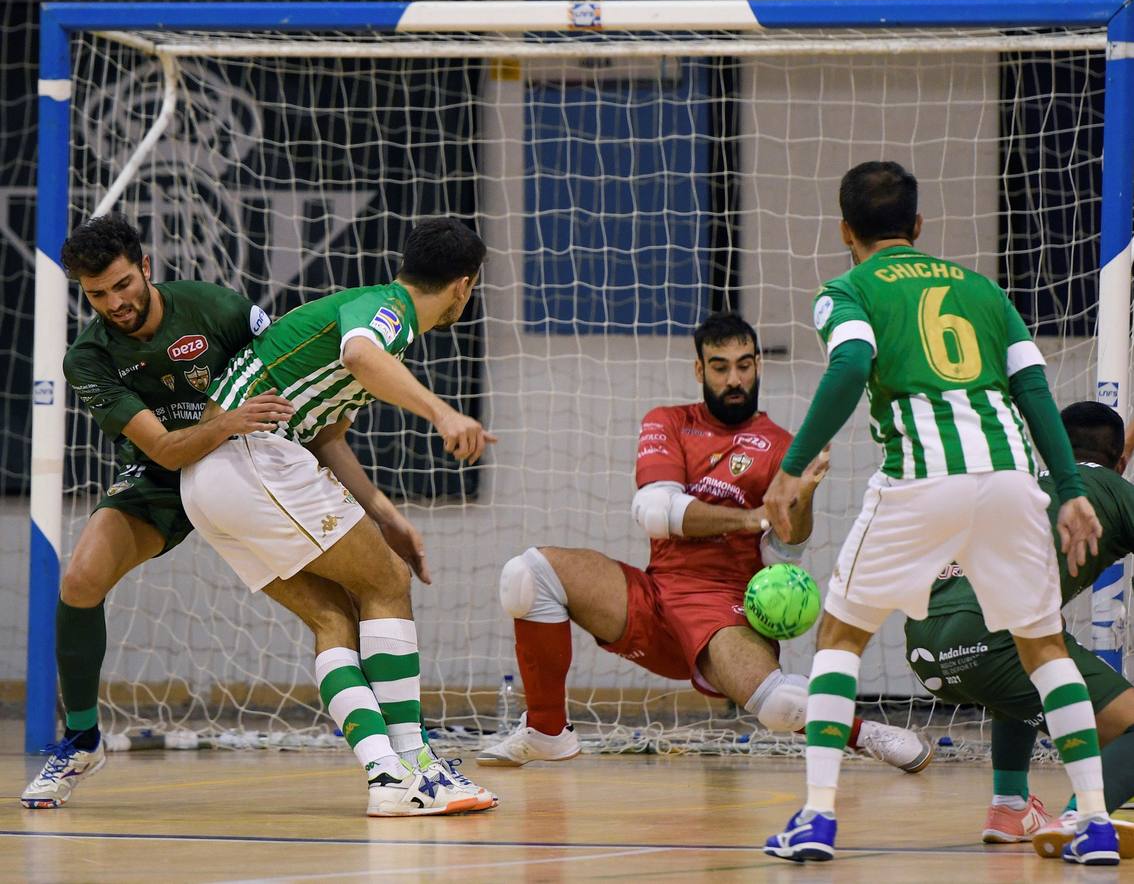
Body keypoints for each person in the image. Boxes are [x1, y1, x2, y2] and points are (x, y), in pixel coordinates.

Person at [761, 160, 1118, 866]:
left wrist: (794, 465)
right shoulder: (982, 290)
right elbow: (1034, 387)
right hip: (1014, 479)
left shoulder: (847, 288)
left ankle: (818, 816)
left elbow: (850, 366)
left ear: (845, 232)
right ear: (918, 227)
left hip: (922, 479)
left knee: (839, 637)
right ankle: (1098, 823)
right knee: (1043, 647)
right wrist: (1071, 485)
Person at [477, 312, 933, 773]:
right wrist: (754, 516)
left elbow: (783, 552)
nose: (734, 379)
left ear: (758, 365)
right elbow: (656, 514)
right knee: (527, 575)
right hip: (653, 596)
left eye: (744, 365)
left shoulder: (782, 446)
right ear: (700, 370)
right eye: (719, 367)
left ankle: (868, 734)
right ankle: (547, 731)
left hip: (724, 609)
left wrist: (801, 500)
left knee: (779, 705)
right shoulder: (669, 422)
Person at [179, 217, 497, 816]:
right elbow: (360, 353)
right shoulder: (387, 309)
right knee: (387, 582)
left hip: (206, 486)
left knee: (335, 615)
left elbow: (326, 436)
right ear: (464, 285)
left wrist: (385, 516)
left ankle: (386, 781)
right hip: (251, 456)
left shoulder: (369, 313)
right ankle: (421, 765)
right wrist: (443, 413)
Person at [22, 214, 294, 809]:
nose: (114, 302)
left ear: (145, 267)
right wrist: (223, 421)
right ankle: (83, 739)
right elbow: (166, 448)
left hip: (252, 462)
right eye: (97, 294)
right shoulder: (88, 359)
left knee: (337, 592)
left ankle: (399, 737)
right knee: (80, 580)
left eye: (122, 284)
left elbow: (293, 364)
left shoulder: (215, 306)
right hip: (164, 474)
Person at [905, 401, 1134, 858]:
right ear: (1121, 462)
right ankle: (1082, 818)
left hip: (924, 646)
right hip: (992, 641)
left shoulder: (1023, 487)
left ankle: (1010, 805)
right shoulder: (1111, 489)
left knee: (1042, 642)